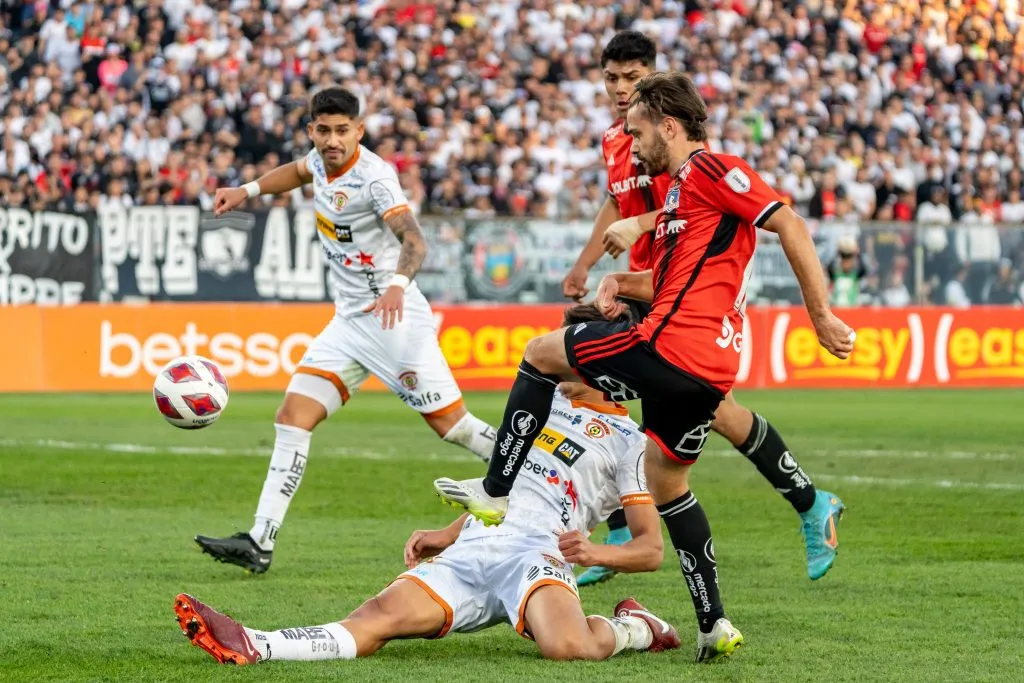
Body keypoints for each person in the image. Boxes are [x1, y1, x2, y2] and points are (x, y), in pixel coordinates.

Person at [434, 72, 855, 660]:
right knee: (667, 482)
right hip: (708, 371)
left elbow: (790, 222)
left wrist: (821, 315)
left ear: (669, 126)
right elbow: (672, 281)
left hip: (670, 349)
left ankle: (497, 493)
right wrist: (618, 280)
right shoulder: (682, 197)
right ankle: (714, 625)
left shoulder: (710, 170)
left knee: (539, 355)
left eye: (638, 134)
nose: (632, 148)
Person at [173, 307, 684, 666]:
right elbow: (511, 491)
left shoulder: (629, 443)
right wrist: (449, 531)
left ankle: (636, 628)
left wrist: (597, 553)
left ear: (596, 361)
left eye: (569, 347)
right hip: (478, 542)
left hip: (539, 554)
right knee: (378, 617)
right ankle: (257, 643)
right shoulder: (537, 405)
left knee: (567, 647)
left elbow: (650, 548)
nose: (556, 353)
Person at [561, 31, 848, 585]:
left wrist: (638, 227)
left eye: (634, 77)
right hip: (646, 284)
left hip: (690, 289)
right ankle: (807, 505)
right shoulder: (616, 143)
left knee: (607, 383)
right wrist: (587, 262)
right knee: (617, 391)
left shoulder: (682, 149)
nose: (622, 89)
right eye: (612, 78)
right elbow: (618, 203)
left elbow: (691, 205)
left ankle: (629, 528)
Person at [193, 86, 496, 574]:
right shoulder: (316, 160)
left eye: (342, 131)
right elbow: (293, 173)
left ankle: (536, 476)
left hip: (394, 321)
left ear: (359, 130)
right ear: (312, 130)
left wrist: (398, 285)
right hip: (348, 324)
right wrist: (246, 191)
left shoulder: (375, 179)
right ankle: (260, 540)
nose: (332, 140)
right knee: (292, 417)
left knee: (452, 427)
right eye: (323, 130)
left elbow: (414, 240)